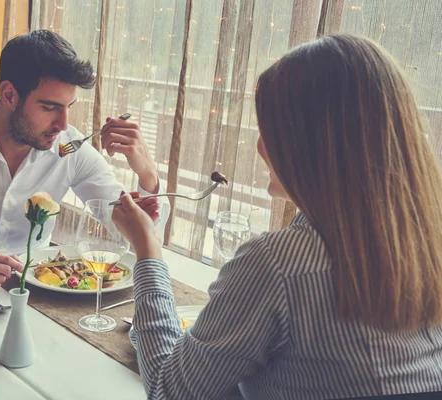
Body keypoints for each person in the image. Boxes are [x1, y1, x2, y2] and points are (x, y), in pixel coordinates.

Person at [112, 34, 442, 400]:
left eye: (272, 129)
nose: (259, 146)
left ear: (316, 144)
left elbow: (169, 389)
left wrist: (147, 249)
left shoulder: (278, 263)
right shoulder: (427, 241)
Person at [0, 30, 167, 290]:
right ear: (9, 94)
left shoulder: (71, 149)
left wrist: (147, 176)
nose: (62, 124)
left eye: (68, 107)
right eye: (49, 107)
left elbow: (140, 237)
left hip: (42, 303)